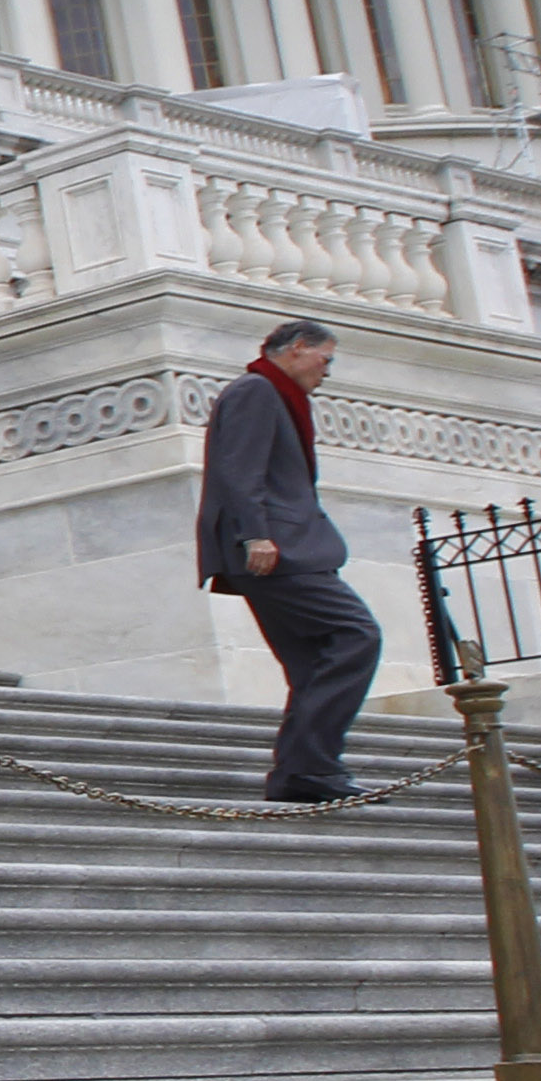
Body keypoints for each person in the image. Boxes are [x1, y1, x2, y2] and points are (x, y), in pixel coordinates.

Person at [200, 317, 379, 802]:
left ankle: (303, 775)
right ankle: (310, 768)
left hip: (285, 549)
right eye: (326, 359)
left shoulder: (274, 393)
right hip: (275, 551)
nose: (328, 371)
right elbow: (238, 469)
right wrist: (255, 535)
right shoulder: (257, 390)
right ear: (298, 347)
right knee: (356, 634)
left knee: (313, 662)